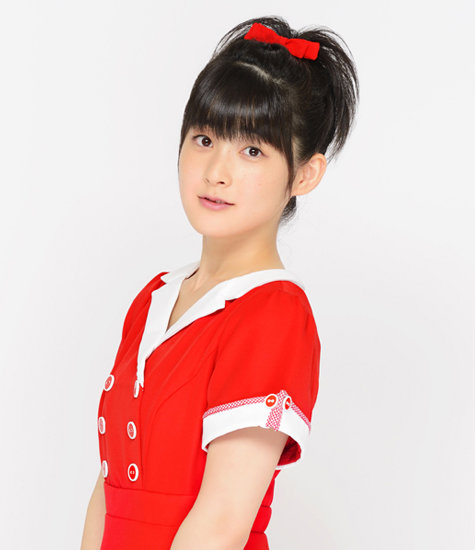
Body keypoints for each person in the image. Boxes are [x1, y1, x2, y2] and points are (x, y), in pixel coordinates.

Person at [80, 15, 359, 550]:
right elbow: (107, 490)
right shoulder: (155, 298)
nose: (216, 172)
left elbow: (222, 524)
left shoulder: (274, 314)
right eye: (204, 139)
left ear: (305, 173)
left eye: (252, 150)